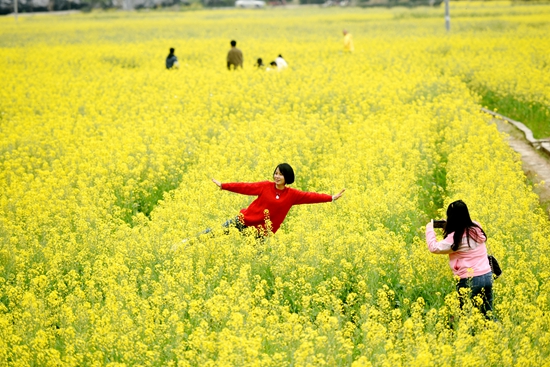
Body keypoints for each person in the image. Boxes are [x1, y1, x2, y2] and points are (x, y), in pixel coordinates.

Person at [210, 163, 345, 237]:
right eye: (276, 173)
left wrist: (331, 198)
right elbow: (245, 187)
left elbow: (310, 196)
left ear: (287, 177)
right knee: (213, 233)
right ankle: (189, 242)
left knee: (253, 260)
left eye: (281, 174)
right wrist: (223, 185)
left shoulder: (291, 194)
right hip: (245, 220)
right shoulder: (265, 186)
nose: (277, 176)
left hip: (261, 232)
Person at [425, 200, 494, 318]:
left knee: (465, 318)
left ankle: (468, 335)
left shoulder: (454, 238)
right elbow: (463, 230)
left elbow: (434, 248)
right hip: (487, 276)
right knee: (487, 316)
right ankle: (495, 333)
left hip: (470, 280)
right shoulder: (477, 227)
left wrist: (429, 228)